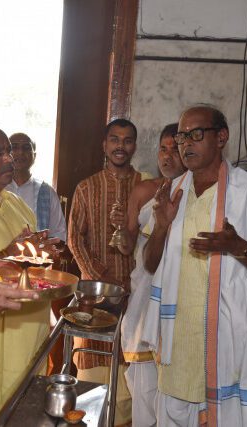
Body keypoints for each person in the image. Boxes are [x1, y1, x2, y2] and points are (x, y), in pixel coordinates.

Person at [142, 105, 247, 426]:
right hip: (180, 340)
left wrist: (236, 246)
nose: (186, 143)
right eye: (182, 136)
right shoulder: (173, 191)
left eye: (196, 134)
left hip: (227, 336)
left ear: (221, 138)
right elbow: (150, 264)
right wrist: (161, 226)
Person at [67, 118, 149, 425]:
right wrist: (99, 278)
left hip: (136, 295)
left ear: (134, 146)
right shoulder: (86, 188)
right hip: (95, 297)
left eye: (127, 140)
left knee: (131, 371)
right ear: (105, 145)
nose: (120, 146)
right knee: (91, 372)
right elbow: (74, 239)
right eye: (114, 139)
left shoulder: (147, 187)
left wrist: (130, 281)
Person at [110, 123, 186, 427]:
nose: (167, 156)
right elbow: (128, 246)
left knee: (177, 392)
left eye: (174, 150)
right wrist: (120, 228)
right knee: (144, 387)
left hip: (179, 301)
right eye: (163, 149)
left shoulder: (198, 195)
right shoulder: (144, 190)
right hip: (144, 298)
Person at [0, 126, 58, 410]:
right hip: (2, 333)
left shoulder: (17, 203)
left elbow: (28, 258)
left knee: (28, 405)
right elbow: (11, 256)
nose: (8, 159)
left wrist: (40, 252)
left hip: (31, 325)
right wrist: (7, 254)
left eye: (8, 151)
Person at [7, 133, 67, 241]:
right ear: (5, 155)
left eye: (26, 148)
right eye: (14, 147)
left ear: (34, 156)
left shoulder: (47, 193)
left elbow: (59, 234)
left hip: (36, 251)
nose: (20, 152)